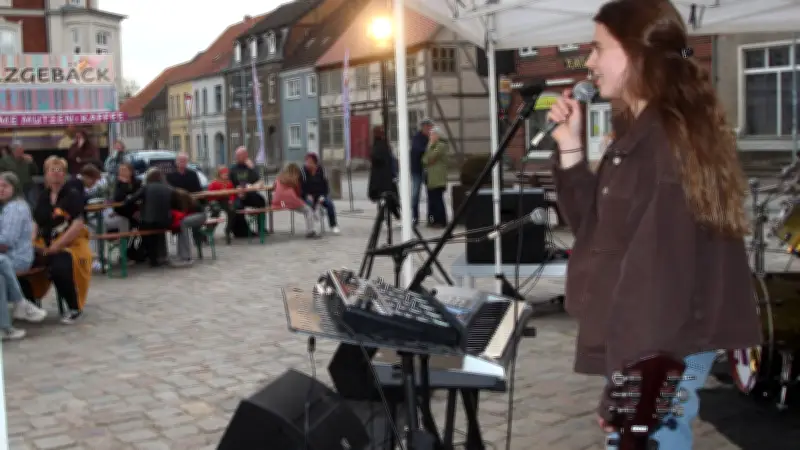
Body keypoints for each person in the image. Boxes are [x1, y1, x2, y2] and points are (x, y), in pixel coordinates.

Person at [548, 1, 761, 448]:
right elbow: (596, 228)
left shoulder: (664, 145)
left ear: (636, 54)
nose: (589, 62)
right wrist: (570, 149)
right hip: (653, 344)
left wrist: (629, 384)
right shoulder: (641, 135)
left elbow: (656, 282)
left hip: (659, 347)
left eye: (599, 48)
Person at [31, 156, 93, 324]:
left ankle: (74, 307)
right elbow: (36, 221)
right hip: (45, 243)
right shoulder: (43, 196)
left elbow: (77, 224)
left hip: (71, 244)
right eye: (53, 170)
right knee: (23, 263)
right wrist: (31, 241)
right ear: (46, 174)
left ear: (64, 174)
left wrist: (58, 245)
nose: (56, 174)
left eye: (60, 171)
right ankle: (30, 304)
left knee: (60, 267)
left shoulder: (72, 194)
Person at [0, 172, 47, 339]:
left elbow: (5, 242)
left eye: (5, 186)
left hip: (16, 257)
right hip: (6, 258)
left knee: (2, 262)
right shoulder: (6, 207)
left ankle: (9, 322)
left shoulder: (15, 208)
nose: (1, 189)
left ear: (15, 188)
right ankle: (16, 310)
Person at [122, 168, 173, 267]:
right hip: (166, 221)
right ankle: (157, 256)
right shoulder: (168, 188)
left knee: (141, 228)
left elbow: (130, 200)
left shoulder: (146, 188)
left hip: (150, 222)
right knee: (154, 232)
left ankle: (148, 256)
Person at [272, 163, 318, 238]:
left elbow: (274, 187)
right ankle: (310, 231)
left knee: (298, 204)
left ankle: (315, 215)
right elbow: (298, 194)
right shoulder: (295, 180)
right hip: (290, 201)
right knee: (308, 209)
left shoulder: (279, 177)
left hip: (280, 203)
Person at [229, 147, 266, 238]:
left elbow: (258, 179)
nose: (237, 157)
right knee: (237, 206)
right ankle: (243, 231)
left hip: (249, 193)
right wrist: (236, 190)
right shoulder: (233, 169)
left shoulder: (251, 167)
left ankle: (261, 228)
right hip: (237, 195)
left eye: (239, 155)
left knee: (261, 201)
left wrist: (252, 168)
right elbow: (229, 184)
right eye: (236, 156)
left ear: (246, 155)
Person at [300, 152, 340, 234]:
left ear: (315, 163)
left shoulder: (322, 170)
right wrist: (306, 195)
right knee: (309, 204)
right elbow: (301, 187)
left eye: (309, 162)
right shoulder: (303, 171)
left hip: (320, 195)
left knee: (330, 204)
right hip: (308, 196)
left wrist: (323, 196)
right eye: (306, 161)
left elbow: (326, 186)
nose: (307, 164)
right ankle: (312, 227)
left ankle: (333, 225)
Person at [367, 125, 399, 219]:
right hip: (384, 179)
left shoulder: (378, 145)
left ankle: (385, 218)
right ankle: (394, 217)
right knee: (388, 199)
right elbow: (382, 160)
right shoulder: (381, 146)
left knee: (385, 199)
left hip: (382, 179)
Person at [169, 189, 206, 265]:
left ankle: (186, 256)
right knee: (181, 225)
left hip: (200, 215)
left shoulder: (184, 201)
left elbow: (184, 213)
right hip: (198, 215)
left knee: (183, 223)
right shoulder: (186, 199)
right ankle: (182, 254)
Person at [422, 127, 449, 228]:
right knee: (432, 200)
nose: (431, 137)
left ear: (438, 135)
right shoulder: (431, 146)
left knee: (438, 200)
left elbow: (431, 157)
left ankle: (441, 221)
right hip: (431, 178)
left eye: (433, 135)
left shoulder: (440, 146)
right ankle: (434, 220)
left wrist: (430, 148)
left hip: (438, 178)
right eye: (430, 135)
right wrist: (429, 158)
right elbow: (424, 160)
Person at [410, 118, 434, 224]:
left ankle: (431, 216)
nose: (429, 129)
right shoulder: (417, 138)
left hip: (429, 169)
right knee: (415, 193)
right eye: (427, 127)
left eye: (430, 127)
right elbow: (417, 149)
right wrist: (428, 148)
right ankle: (414, 217)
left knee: (431, 193)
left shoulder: (432, 138)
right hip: (417, 169)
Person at [0, 141, 38, 206]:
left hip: (27, 186)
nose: (21, 151)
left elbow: (35, 172)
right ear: (13, 150)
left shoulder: (26, 160)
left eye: (22, 149)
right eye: (19, 149)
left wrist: (32, 162)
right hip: (13, 187)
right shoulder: (5, 160)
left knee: (31, 203)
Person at [207, 166, 235, 244]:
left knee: (232, 211)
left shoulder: (229, 183)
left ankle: (228, 230)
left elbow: (232, 194)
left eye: (227, 174)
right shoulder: (214, 183)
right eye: (224, 174)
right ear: (219, 174)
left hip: (225, 201)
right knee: (216, 211)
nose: (226, 175)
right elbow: (209, 195)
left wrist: (231, 200)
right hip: (215, 201)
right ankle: (209, 230)